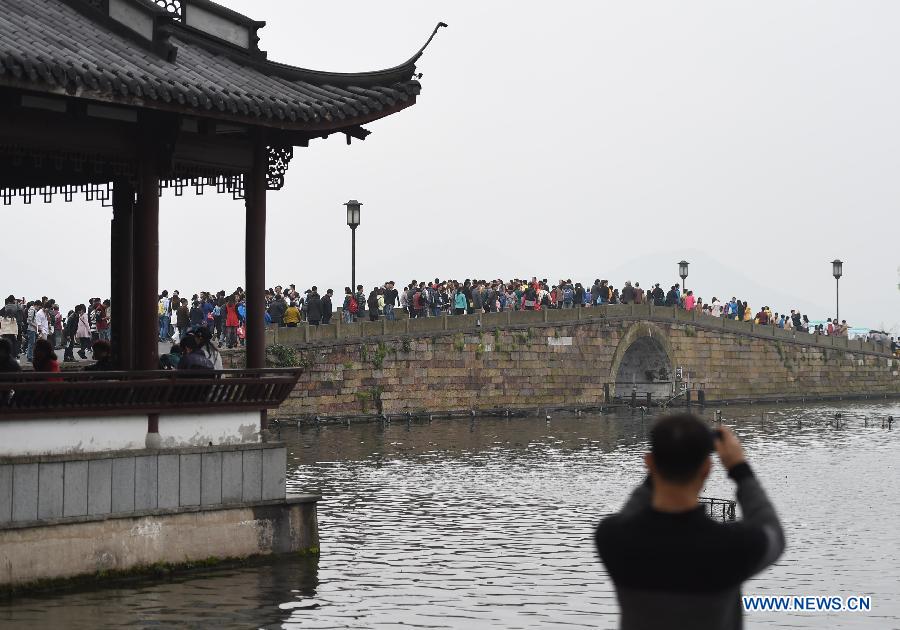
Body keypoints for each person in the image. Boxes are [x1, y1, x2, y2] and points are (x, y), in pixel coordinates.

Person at [595, 414, 785, 630]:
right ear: (707, 469)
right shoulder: (732, 547)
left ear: (649, 463)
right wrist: (739, 468)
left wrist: (663, 462)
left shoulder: (613, 538)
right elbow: (773, 531)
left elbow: (630, 513)